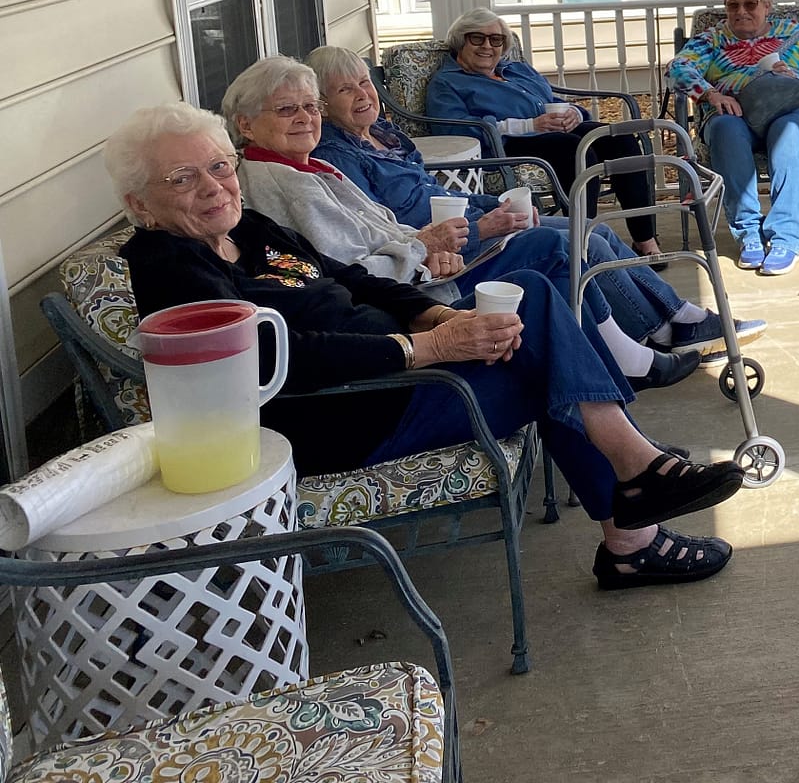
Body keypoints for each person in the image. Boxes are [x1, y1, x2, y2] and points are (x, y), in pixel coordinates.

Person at [108, 102, 742, 588]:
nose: (214, 185)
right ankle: (635, 506)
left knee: (530, 298)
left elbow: (349, 278)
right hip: (346, 410)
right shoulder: (169, 262)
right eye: (182, 178)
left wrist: (430, 319)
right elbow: (274, 360)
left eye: (219, 166)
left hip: (396, 371)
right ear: (141, 202)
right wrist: (425, 352)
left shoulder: (248, 226)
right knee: (545, 341)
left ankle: (635, 507)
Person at [224, 56, 696, 390]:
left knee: (582, 233)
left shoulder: (311, 163)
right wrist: (426, 249)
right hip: (418, 296)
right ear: (246, 125)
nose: (306, 118)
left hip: (428, 261)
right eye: (288, 109)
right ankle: (637, 350)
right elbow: (350, 265)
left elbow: (381, 228)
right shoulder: (290, 179)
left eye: (310, 107)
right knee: (558, 246)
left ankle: (655, 330)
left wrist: (432, 239)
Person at [303, 46, 764, 366]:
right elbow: (394, 226)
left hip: (471, 220)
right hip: (450, 252)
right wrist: (486, 222)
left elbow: (431, 190)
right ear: (322, 104)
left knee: (596, 228)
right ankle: (661, 328)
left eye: (366, 82)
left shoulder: (383, 133)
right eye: (348, 90)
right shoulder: (338, 156)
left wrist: (494, 201)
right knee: (570, 240)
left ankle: (674, 317)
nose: (365, 94)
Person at [423, 8, 660, 255]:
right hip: (500, 146)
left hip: (549, 134)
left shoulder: (515, 70)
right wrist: (529, 126)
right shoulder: (447, 82)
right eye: (477, 38)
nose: (487, 46)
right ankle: (582, 244)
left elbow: (548, 100)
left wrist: (573, 114)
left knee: (616, 137)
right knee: (573, 149)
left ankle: (645, 240)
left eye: (496, 40)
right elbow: (453, 128)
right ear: (461, 41)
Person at [665, 0, 799, 276]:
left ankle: (786, 238)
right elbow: (677, 69)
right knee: (725, 128)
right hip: (736, 115)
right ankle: (749, 233)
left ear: (767, 5)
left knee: (786, 131)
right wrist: (711, 94)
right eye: (733, 5)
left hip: (793, 112)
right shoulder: (712, 40)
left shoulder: (794, 34)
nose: (741, 12)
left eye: (750, 4)